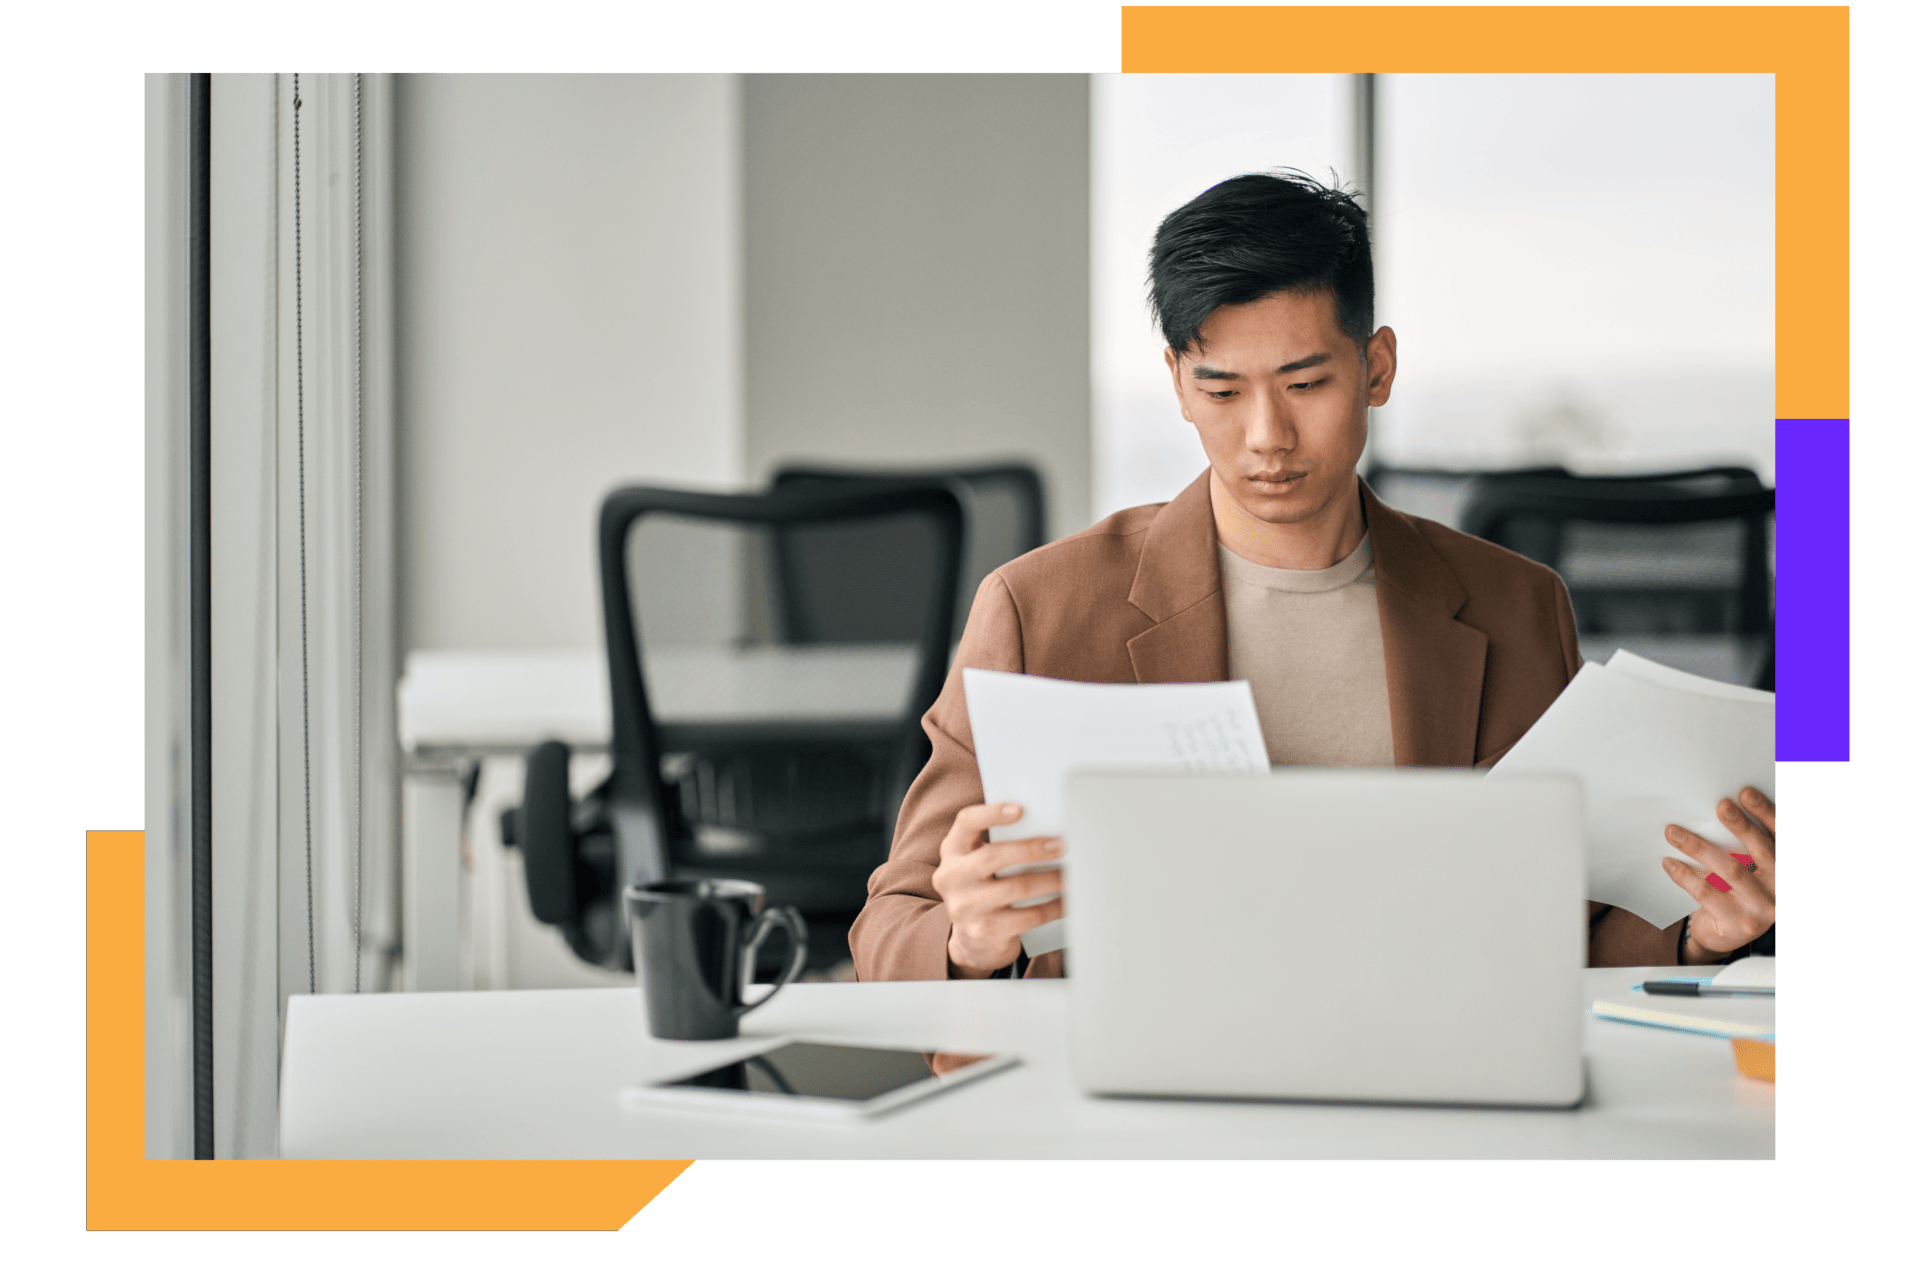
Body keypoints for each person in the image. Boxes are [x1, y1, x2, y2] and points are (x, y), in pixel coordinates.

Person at [849, 171, 1776, 981]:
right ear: (1176, 382)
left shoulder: (1517, 608)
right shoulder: (1037, 610)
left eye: (1305, 383)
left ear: (1376, 368)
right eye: (1221, 390)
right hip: (1143, 1103)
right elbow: (888, 929)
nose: (1267, 437)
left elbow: (1572, 942)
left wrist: (1700, 937)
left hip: (1438, 1084)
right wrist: (972, 940)